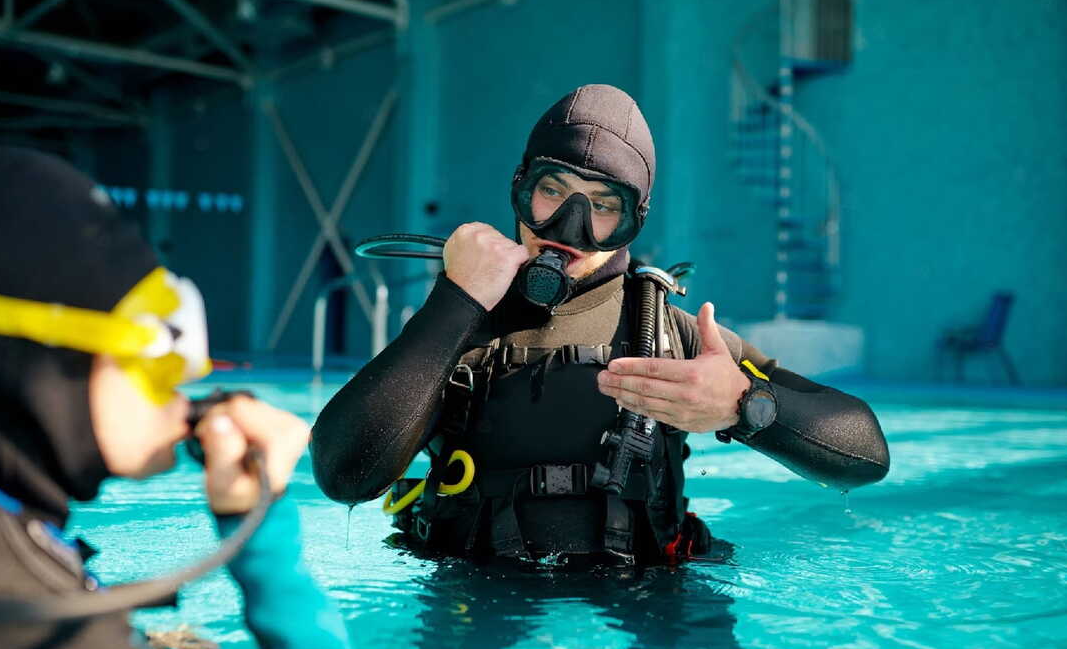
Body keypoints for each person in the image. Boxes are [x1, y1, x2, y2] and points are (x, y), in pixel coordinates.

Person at [0, 147, 392, 649]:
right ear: (39, 361)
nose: (181, 388)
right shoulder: (12, 637)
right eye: (153, 354)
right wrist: (266, 536)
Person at [311, 84, 890, 565]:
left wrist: (746, 404)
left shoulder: (674, 334)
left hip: (648, 586)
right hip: (478, 588)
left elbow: (866, 453)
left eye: (601, 206)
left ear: (633, 221)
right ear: (521, 187)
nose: (568, 225)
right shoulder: (458, 325)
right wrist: (456, 299)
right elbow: (345, 476)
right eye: (552, 191)